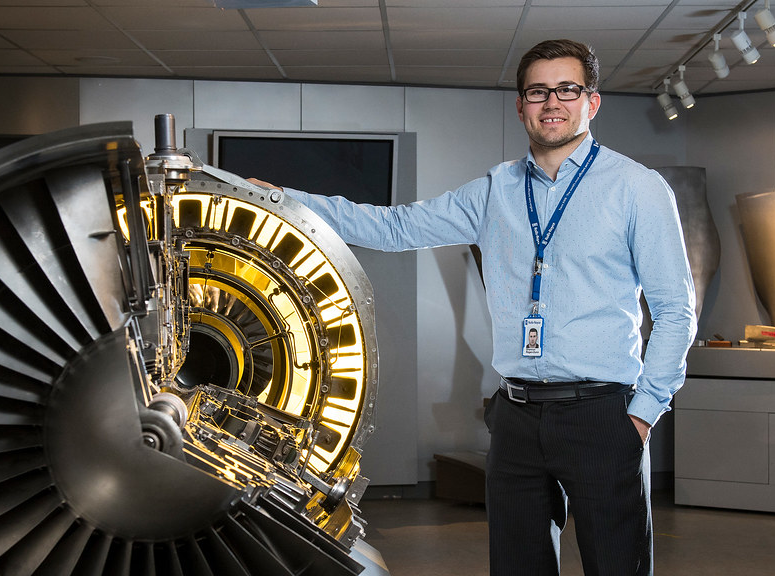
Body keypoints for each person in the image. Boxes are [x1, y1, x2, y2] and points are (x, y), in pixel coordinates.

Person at [249, 39, 697, 575]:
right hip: (517, 416)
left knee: (617, 565)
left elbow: (676, 311)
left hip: (602, 415)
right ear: (520, 105)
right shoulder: (496, 190)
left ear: (591, 102)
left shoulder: (637, 189)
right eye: (537, 91)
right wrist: (285, 201)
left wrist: (643, 415)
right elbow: (397, 226)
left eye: (566, 90)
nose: (551, 102)